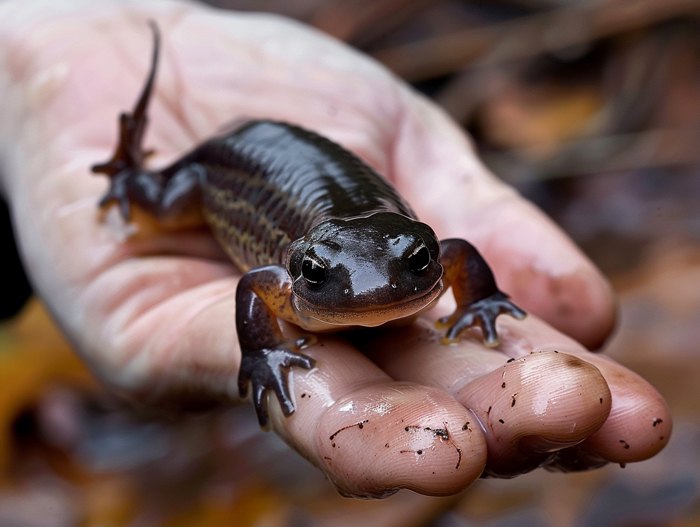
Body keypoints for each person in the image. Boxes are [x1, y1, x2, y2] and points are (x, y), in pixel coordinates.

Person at [0, 0, 670, 498]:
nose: (372, 289)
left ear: (429, 265)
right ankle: (129, 168)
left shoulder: (434, 262)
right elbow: (254, 285)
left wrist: (482, 298)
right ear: (299, 276)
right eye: (320, 276)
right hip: (233, 163)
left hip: (308, 170)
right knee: (155, 205)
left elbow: (458, 253)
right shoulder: (282, 282)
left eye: (415, 267)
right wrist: (261, 346)